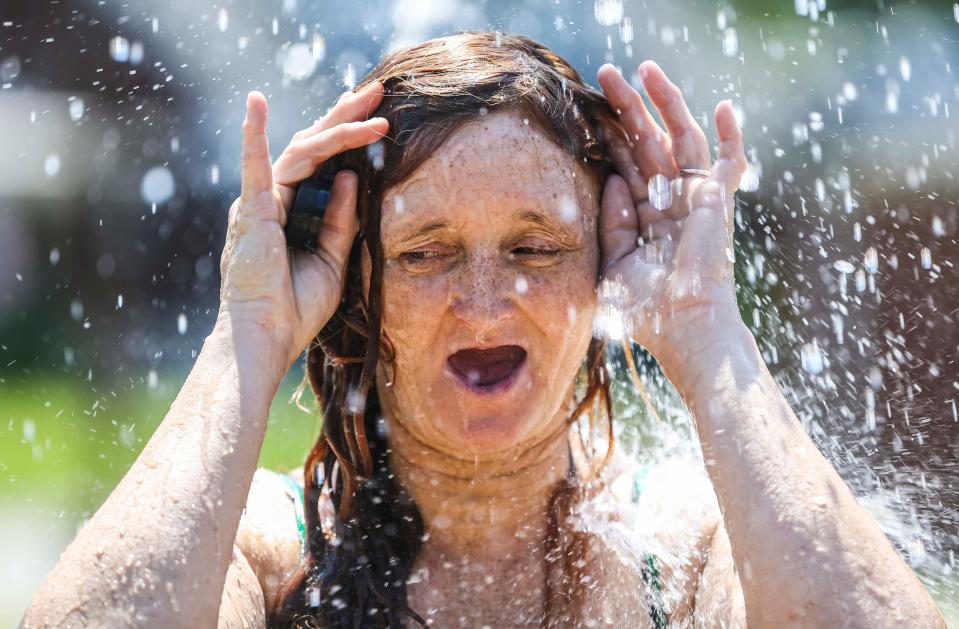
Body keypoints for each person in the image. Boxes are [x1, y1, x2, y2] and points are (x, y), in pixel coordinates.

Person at [21, 32, 946, 629]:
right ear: (359, 288)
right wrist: (249, 331)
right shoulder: (273, 554)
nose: (487, 298)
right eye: (426, 252)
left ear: (602, 268)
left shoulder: (689, 550)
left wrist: (706, 331)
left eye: (536, 246)